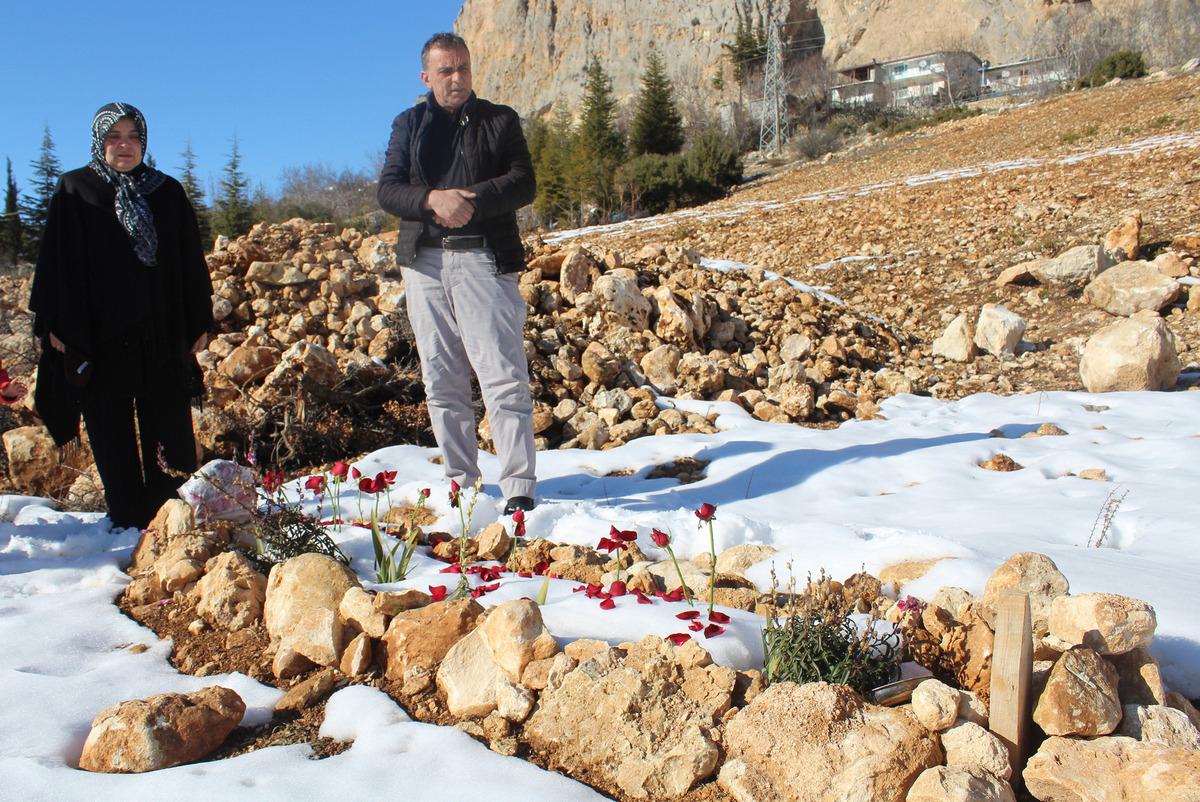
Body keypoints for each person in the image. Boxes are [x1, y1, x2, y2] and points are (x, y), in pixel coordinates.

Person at [29, 102, 214, 529]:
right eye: (114, 136)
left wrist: (199, 320)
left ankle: (166, 518)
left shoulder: (166, 192)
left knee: (168, 432)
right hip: (101, 338)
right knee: (110, 433)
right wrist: (55, 324)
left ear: (144, 142)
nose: (124, 146)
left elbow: (188, 259)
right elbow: (55, 263)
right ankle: (125, 522)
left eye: (132, 137)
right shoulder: (75, 190)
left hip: (159, 335)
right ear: (99, 142)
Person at [377, 32, 537, 515]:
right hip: (423, 265)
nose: (457, 78)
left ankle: (519, 489)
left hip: (483, 259)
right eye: (446, 70)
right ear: (426, 76)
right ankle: (462, 484)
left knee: (502, 375)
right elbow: (388, 189)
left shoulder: (500, 120)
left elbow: (523, 181)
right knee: (441, 378)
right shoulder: (409, 124)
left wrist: (469, 201)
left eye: (463, 68)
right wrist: (430, 201)